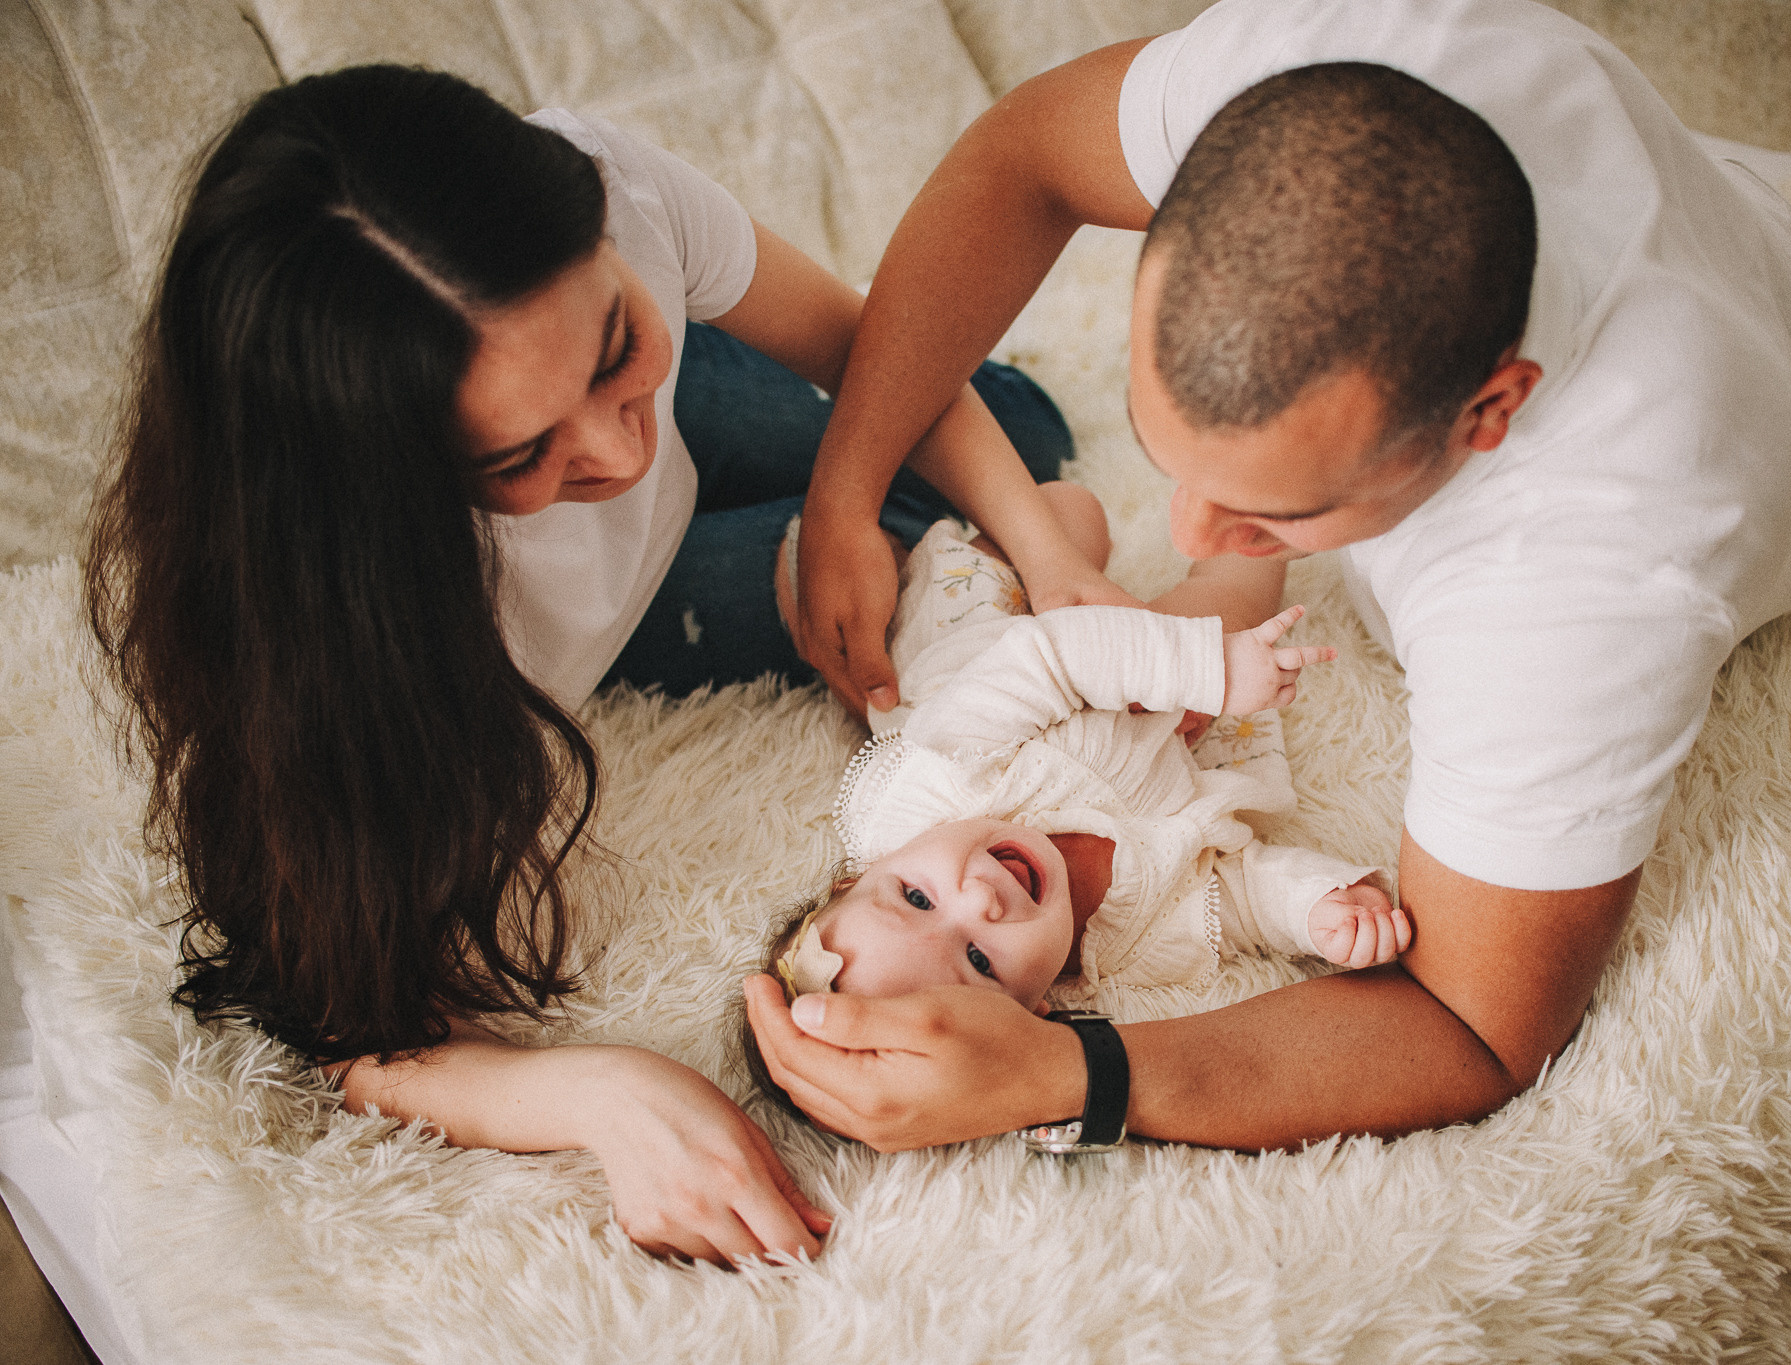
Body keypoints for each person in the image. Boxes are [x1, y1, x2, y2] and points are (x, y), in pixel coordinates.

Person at [749, 0, 1791, 1152]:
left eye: (1276, 508)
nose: (1191, 524)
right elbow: (1027, 155)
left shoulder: (1590, 581)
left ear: (1488, 412)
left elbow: (1475, 1025)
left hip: (1788, 371)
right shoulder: (1344, 52)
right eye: (1163, 447)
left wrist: (1065, 1072)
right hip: (1712, 213)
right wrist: (847, 486)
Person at [80, 64, 1081, 1266]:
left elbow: (864, 333)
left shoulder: (607, 192)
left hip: (665, 394)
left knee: (1016, 439)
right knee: (948, 550)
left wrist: (860, 511)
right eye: (521, 456)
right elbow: (348, 1032)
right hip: (576, 615)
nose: (618, 444)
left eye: (615, 345)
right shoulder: (326, 653)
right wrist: (606, 1095)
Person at [755, 520, 1405, 1018]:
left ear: (861, 872)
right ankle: (1263, 518)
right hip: (1159, 742)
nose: (980, 897)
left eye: (916, 896)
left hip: (1012, 642)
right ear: (1034, 1013)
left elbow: (1046, 660)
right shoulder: (1130, 950)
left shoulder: (940, 777)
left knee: (1076, 515)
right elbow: (1234, 899)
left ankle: (885, 556)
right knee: (1231, 599)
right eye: (980, 960)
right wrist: (1317, 910)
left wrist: (1204, 669)